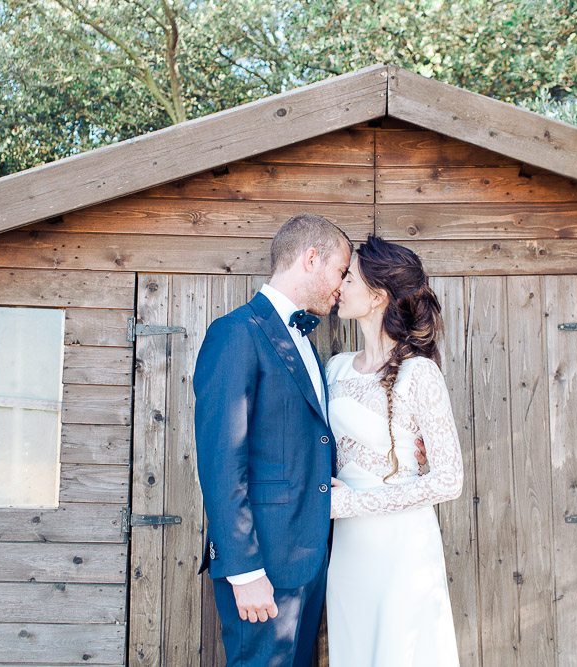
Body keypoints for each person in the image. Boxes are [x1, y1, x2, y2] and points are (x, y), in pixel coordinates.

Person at [194, 213, 351, 666]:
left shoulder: (305, 342)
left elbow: (304, 443)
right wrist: (244, 570)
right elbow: (222, 461)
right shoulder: (236, 333)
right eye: (340, 271)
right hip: (262, 564)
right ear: (311, 258)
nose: (341, 285)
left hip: (307, 559)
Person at [325, 234, 463, 666]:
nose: (340, 284)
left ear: (378, 295)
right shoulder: (335, 368)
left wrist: (356, 503)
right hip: (348, 547)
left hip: (401, 546)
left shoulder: (420, 373)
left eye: (350, 277)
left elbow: (449, 479)